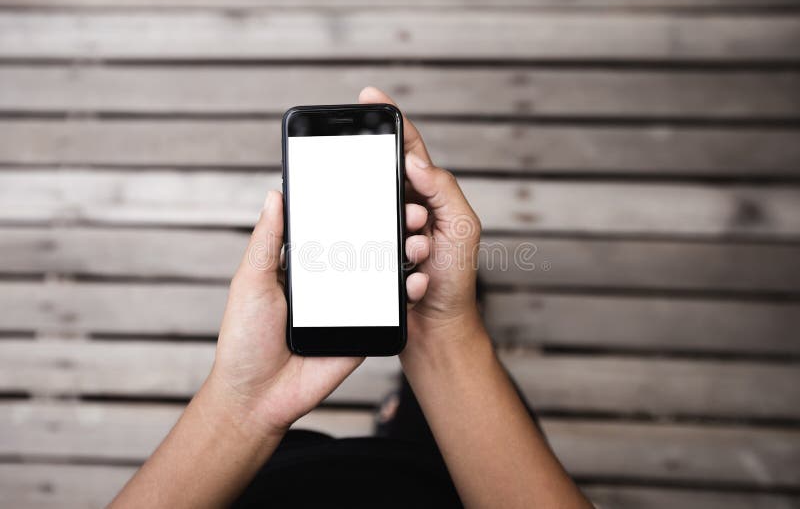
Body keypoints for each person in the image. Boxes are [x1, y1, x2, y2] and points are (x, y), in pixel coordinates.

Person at [109, 87, 593, 509]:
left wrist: (242, 406)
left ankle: (404, 392)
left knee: (395, 429)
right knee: (419, 431)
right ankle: (411, 386)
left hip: (278, 476)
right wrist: (446, 336)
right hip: (421, 486)